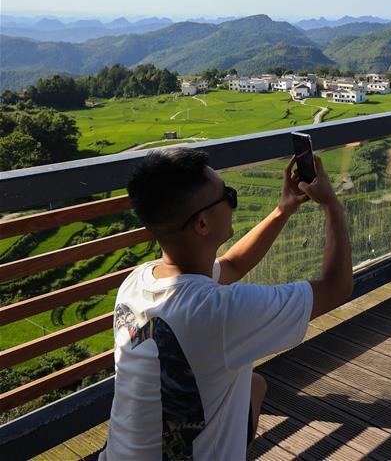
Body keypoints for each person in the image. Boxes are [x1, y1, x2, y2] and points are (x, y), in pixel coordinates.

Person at [100, 147, 352, 460]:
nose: (233, 203)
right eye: (228, 196)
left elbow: (231, 265)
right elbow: (336, 287)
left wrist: (283, 209)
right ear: (202, 224)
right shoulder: (221, 313)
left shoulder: (137, 282)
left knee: (253, 385)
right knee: (252, 386)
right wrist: (331, 203)